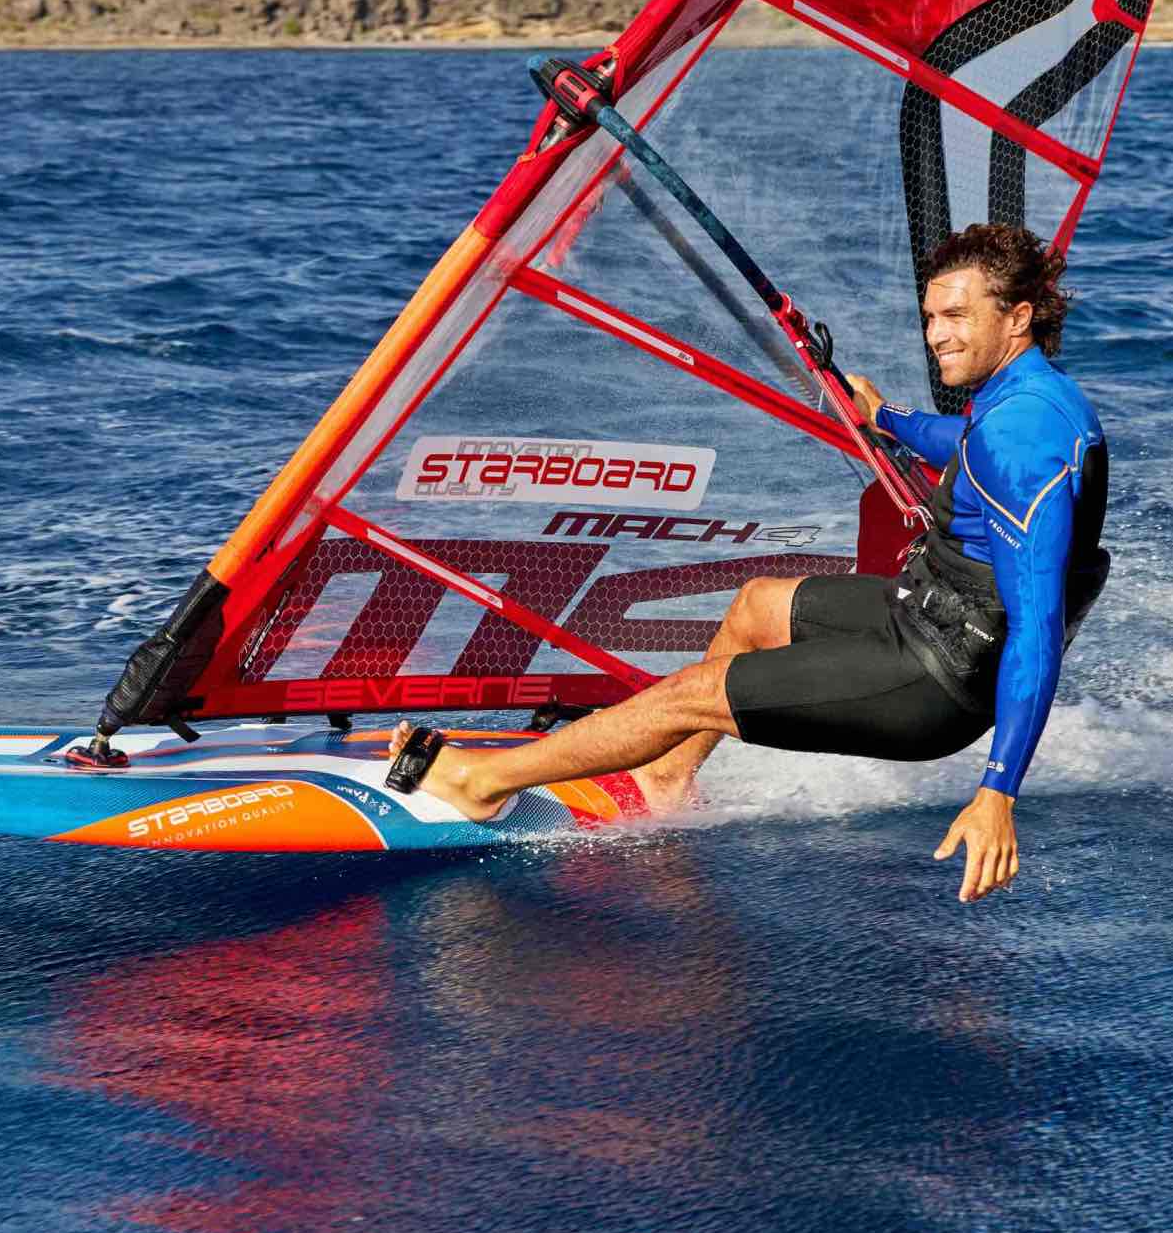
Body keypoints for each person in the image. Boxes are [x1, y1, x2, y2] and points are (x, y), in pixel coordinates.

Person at [387, 223, 1111, 903]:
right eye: (929, 317)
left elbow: (1038, 629)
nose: (936, 335)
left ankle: (483, 781)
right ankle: (668, 775)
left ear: (1016, 316)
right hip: (921, 609)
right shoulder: (1023, 396)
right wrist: (885, 419)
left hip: (937, 678)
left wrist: (997, 792)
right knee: (757, 604)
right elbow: (966, 444)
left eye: (955, 316)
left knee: (688, 694)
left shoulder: (1026, 437)